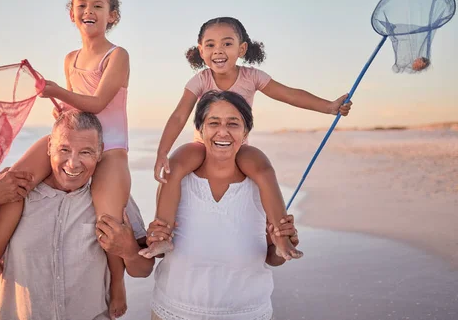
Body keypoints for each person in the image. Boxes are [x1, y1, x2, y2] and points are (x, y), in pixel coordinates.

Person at [0, 0, 132, 318]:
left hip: (109, 147)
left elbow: (97, 103)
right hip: (79, 138)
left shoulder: (117, 55)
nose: (89, 11)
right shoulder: (70, 58)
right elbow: (78, 110)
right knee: (17, 182)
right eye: (81, 5)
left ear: (112, 15)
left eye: (98, 5)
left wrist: (55, 92)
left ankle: (118, 284)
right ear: (71, 14)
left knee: (109, 219)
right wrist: (62, 110)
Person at [140, 16, 351, 259]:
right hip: (203, 144)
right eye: (210, 45)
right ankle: (162, 236)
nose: (218, 50)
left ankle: (281, 238)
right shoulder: (200, 80)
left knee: (263, 168)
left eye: (227, 44)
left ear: (242, 49)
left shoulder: (252, 76)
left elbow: (289, 94)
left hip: (239, 145)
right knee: (174, 166)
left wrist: (328, 107)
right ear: (200, 50)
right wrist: (161, 152)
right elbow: (178, 116)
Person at [0, 110, 154, 320]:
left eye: (86, 152)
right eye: (64, 149)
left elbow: (143, 270)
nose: (73, 163)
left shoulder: (113, 198)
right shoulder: (9, 189)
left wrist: (129, 251)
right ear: (49, 147)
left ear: (100, 152)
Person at [148, 90, 299, 319]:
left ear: (246, 131)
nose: (223, 132)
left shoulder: (260, 181)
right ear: (200, 129)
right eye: (214, 123)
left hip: (247, 312)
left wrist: (281, 249)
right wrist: (157, 238)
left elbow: (272, 257)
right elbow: (158, 253)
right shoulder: (179, 177)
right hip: (174, 310)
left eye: (233, 124)